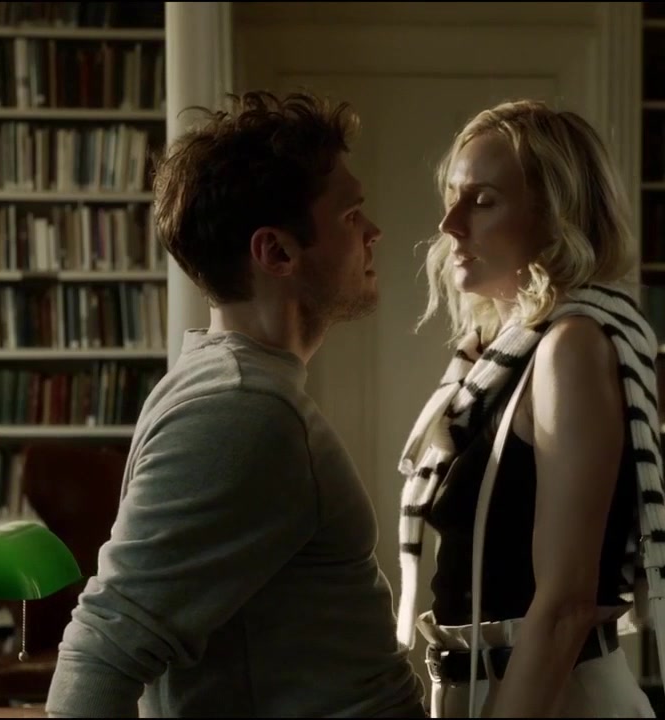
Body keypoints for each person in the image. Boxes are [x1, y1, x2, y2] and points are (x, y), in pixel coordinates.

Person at [44, 90, 426, 718]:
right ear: (276, 251)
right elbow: (105, 646)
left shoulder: (232, 386)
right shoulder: (243, 407)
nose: (374, 232)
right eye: (351, 214)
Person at [394, 100, 665, 718]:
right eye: (451, 197)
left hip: (550, 698)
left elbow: (565, 606)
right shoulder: (491, 360)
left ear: (557, 216)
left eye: (482, 201)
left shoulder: (570, 347)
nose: (449, 224)